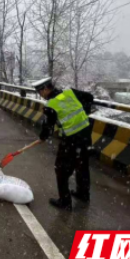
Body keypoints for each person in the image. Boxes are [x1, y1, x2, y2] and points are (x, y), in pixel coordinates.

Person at [33, 77, 93, 211]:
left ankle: (65, 201)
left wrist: (42, 137)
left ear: (46, 89)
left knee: (61, 169)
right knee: (82, 165)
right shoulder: (70, 93)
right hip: (85, 135)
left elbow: (48, 127)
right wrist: (85, 112)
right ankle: (83, 194)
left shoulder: (51, 105)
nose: (40, 95)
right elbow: (89, 97)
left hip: (71, 140)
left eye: (40, 92)